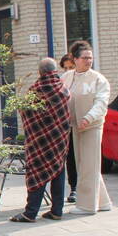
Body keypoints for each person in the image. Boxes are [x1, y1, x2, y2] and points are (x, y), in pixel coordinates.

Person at [10, 58, 70, 223]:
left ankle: (30, 213)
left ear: (40, 72)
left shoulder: (35, 90)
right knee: (58, 171)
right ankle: (57, 210)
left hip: (39, 140)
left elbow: (25, 112)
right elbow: (66, 114)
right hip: (59, 139)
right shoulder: (63, 89)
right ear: (54, 71)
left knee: (37, 173)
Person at [60, 40, 112, 215]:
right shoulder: (67, 77)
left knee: (89, 164)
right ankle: (103, 202)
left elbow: (101, 103)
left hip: (92, 127)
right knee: (84, 164)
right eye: (85, 58)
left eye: (90, 58)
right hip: (73, 127)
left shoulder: (99, 79)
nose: (89, 61)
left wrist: (88, 118)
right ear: (75, 59)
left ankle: (87, 206)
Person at [59, 53, 78, 203]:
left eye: (71, 67)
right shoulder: (62, 81)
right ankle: (74, 188)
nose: (68, 70)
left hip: (82, 124)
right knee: (70, 157)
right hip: (66, 125)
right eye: (65, 68)